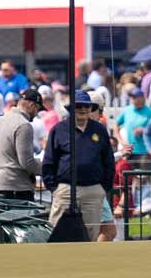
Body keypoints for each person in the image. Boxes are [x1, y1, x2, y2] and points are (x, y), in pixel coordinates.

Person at [42, 89, 117, 241]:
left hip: (93, 190)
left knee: (90, 235)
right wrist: (54, 188)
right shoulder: (59, 130)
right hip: (65, 190)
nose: (82, 109)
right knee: (57, 233)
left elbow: (108, 161)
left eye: (86, 106)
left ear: (91, 109)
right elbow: (49, 161)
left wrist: (103, 188)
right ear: (71, 108)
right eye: (78, 106)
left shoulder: (99, 130)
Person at [0, 88, 42, 201]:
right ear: (31, 105)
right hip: (16, 188)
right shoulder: (24, 125)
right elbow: (26, 162)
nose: (36, 114)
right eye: (37, 109)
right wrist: (46, 168)